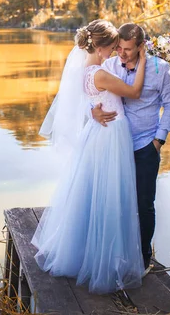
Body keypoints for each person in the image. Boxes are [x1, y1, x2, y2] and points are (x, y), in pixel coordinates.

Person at [32, 19, 147, 294]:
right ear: (102, 46)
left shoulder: (86, 68)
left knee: (92, 193)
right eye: (114, 46)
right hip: (110, 135)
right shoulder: (100, 73)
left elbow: (84, 99)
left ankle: (87, 254)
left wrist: (92, 109)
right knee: (109, 195)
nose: (116, 50)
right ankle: (103, 264)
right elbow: (134, 92)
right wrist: (142, 60)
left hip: (100, 131)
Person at [92, 23, 170, 273]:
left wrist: (158, 140)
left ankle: (142, 258)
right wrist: (93, 112)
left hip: (145, 145)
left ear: (142, 47)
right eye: (119, 47)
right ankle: (117, 256)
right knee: (115, 202)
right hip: (113, 146)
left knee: (144, 203)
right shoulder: (109, 66)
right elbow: (92, 93)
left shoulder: (159, 69)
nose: (122, 53)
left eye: (128, 49)